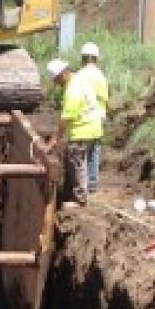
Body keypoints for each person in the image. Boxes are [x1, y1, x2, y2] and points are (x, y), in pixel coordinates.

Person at [44, 58, 104, 208]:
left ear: (62, 74)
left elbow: (65, 121)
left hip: (82, 131)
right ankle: (88, 190)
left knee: (77, 163)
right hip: (94, 128)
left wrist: (52, 141)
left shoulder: (73, 91)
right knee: (88, 160)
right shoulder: (80, 80)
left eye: (57, 80)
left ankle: (80, 199)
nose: (57, 83)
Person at [73, 42, 109, 194]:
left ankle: (82, 186)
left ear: (82, 58)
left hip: (83, 121)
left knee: (81, 157)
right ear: (97, 58)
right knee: (94, 152)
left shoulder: (79, 76)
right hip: (98, 119)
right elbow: (105, 99)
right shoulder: (101, 76)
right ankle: (92, 184)